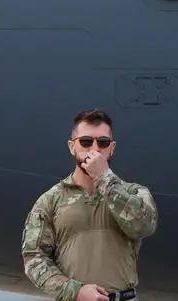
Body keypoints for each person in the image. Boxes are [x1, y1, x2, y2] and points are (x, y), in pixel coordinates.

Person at [21, 109, 159, 301]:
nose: (95, 149)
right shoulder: (51, 200)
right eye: (85, 141)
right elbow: (34, 258)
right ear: (72, 147)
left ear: (112, 148)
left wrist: (104, 178)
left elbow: (144, 226)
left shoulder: (134, 193)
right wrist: (75, 291)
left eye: (103, 142)